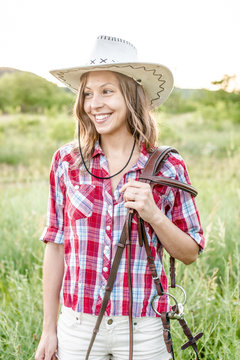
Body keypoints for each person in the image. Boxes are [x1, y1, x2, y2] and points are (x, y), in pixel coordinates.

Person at [35, 35, 205, 360]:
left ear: (132, 96)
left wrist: (154, 215)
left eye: (107, 91)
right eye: (87, 93)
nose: (94, 104)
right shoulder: (66, 162)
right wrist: (49, 329)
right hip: (78, 326)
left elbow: (190, 252)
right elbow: (56, 247)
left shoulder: (168, 165)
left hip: (144, 328)